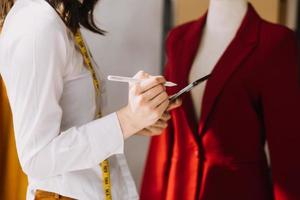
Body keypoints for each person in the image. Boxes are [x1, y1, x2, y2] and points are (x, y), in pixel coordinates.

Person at [0, 0, 181, 199]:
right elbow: (37, 157)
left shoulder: (57, 20)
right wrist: (126, 120)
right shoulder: (36, 25)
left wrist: (135, 121)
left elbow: (71, 120)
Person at [141, 1, 300, 200]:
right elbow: (164, 135)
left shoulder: (275, 41)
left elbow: (286, 150)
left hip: (238, 191)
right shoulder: (179, 38)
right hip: (178, 190)